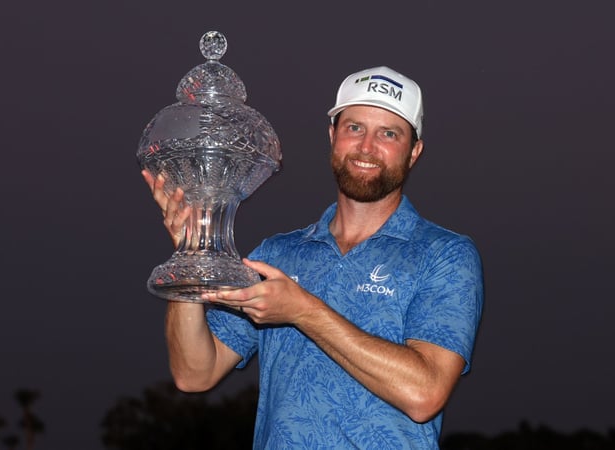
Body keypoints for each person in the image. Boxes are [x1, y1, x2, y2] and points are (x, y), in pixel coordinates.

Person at [142, 66, 484, 449]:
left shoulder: (444, 254)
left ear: (414, 151)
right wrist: (192, 253)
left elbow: (425, 394)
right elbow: (194, 373)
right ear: (332, 135)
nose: (367, 147)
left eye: (389, 133)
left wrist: (302, 310)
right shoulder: (279, 254)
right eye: (354, 128)